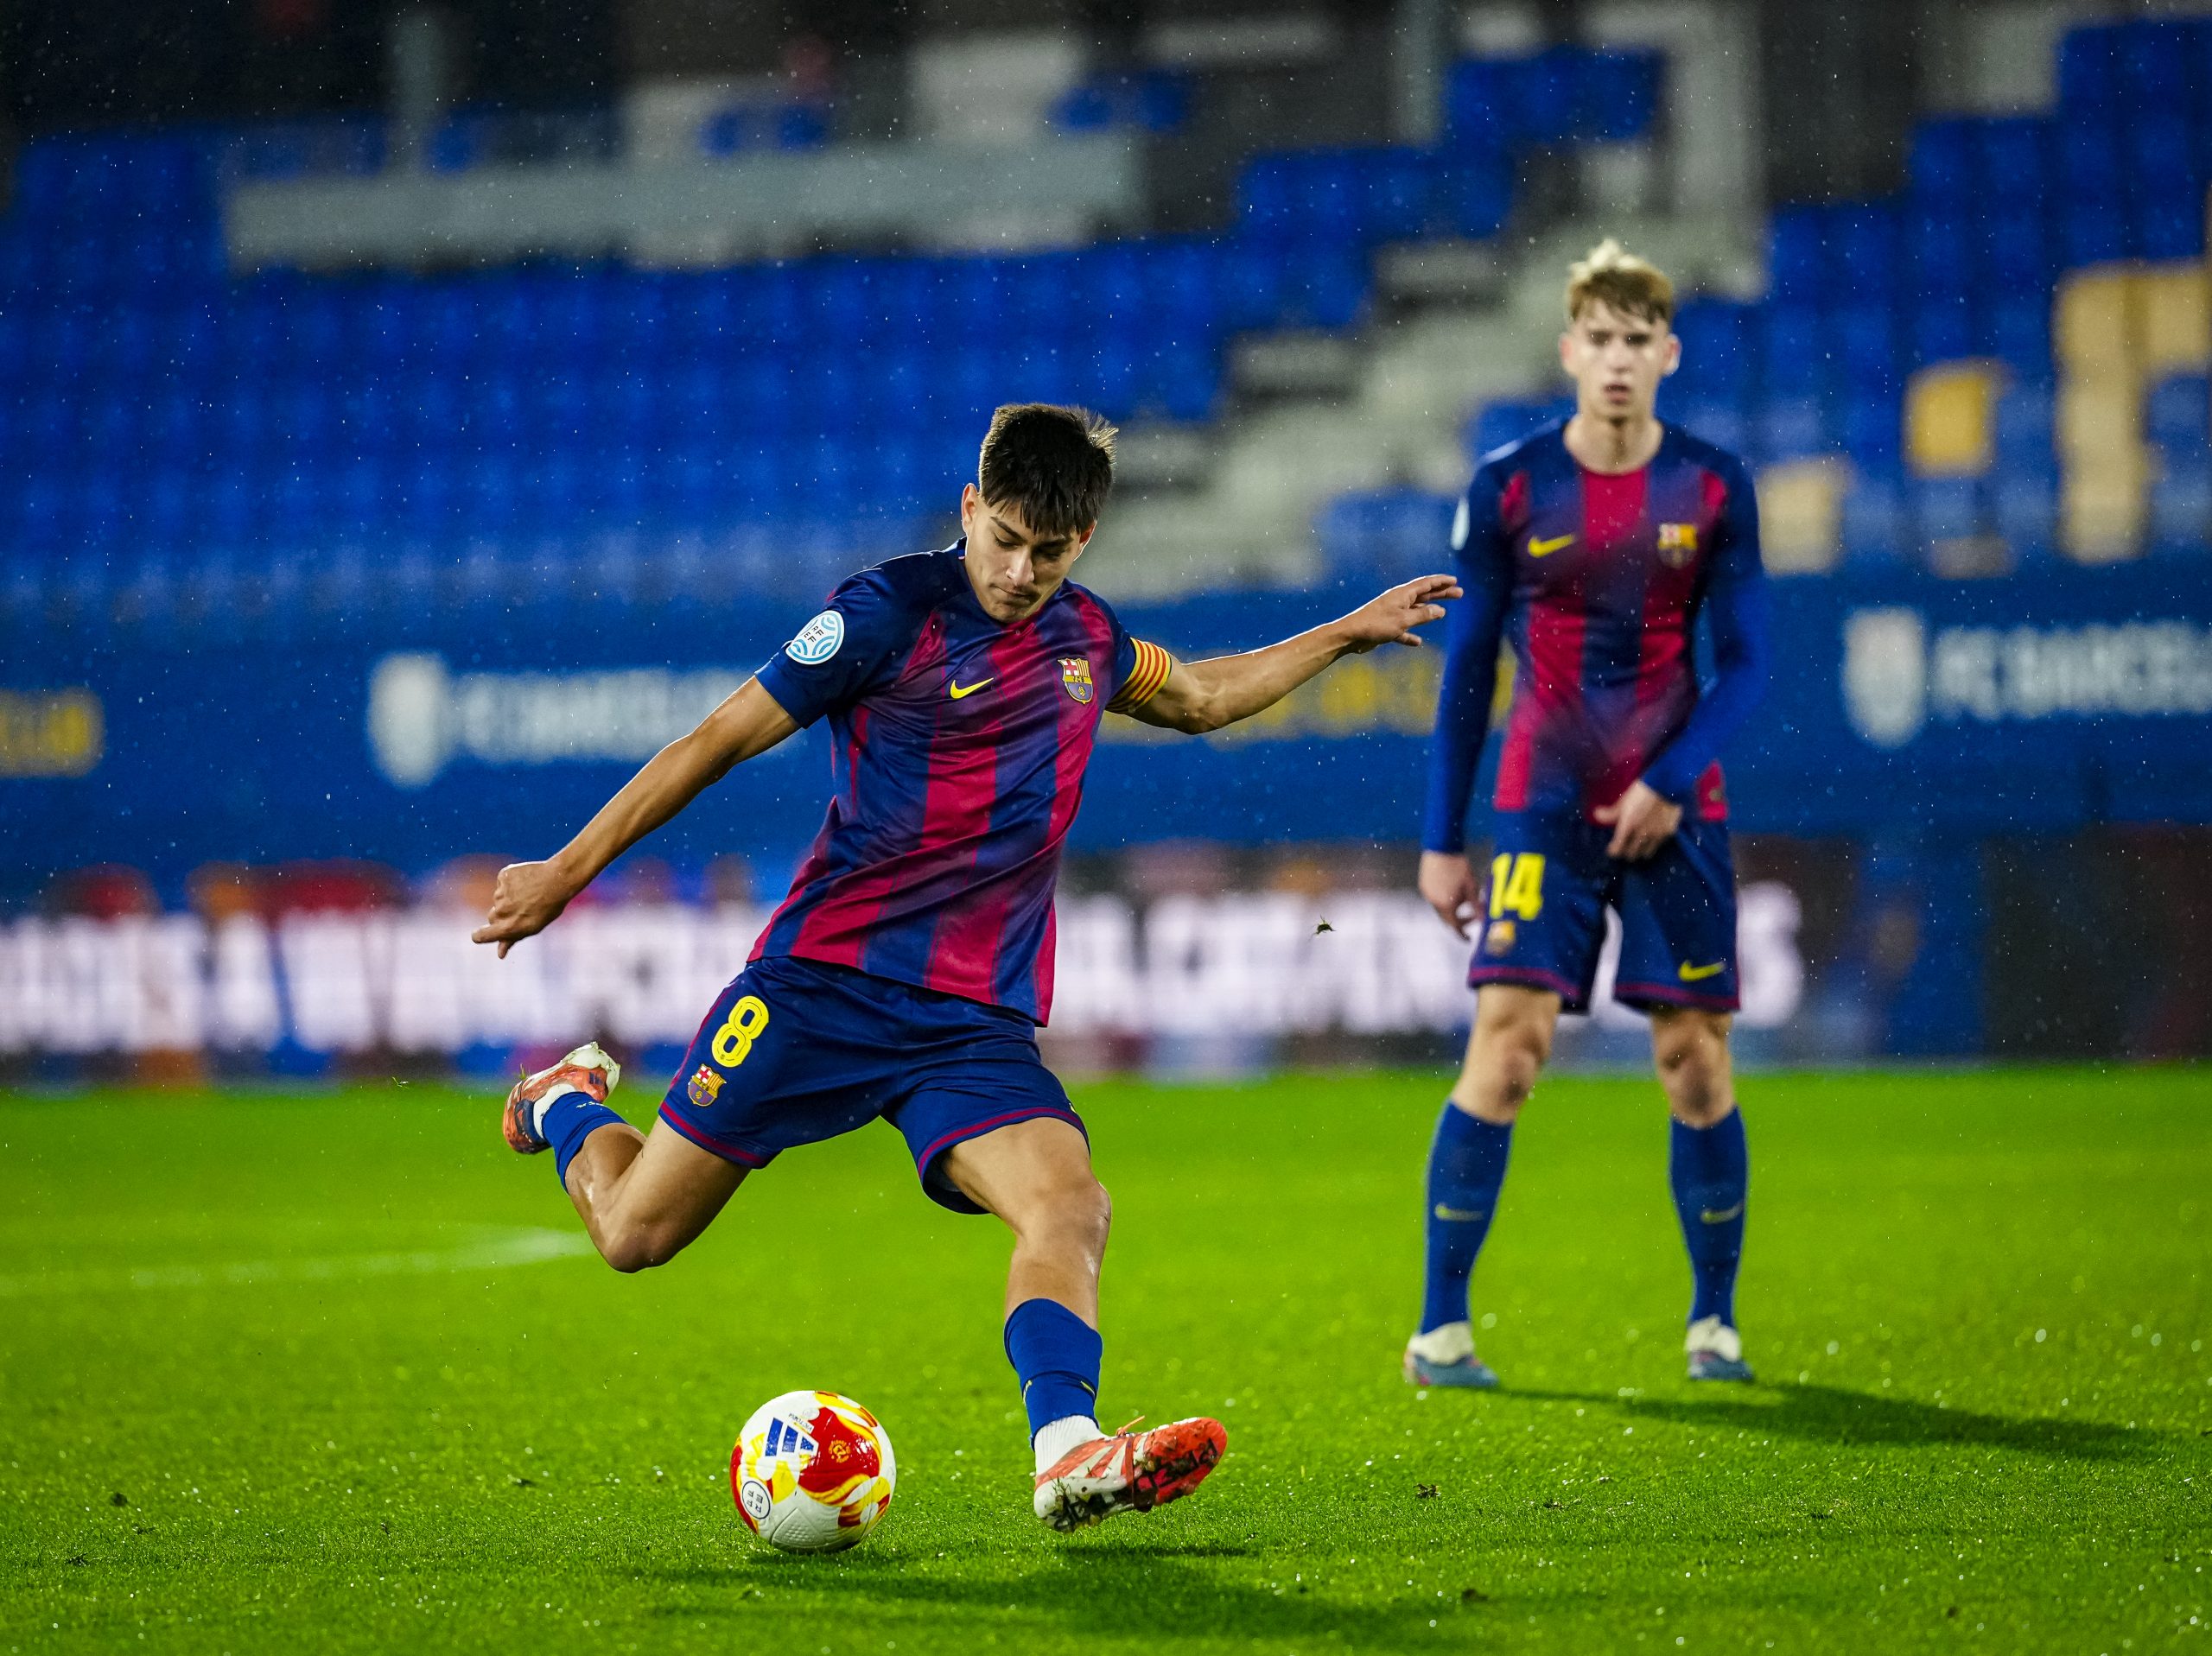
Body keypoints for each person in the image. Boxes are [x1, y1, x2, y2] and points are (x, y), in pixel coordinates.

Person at [474, 403, 1459, 1531]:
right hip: (818, 988)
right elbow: (715, 738)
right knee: (636, 1235)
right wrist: (565, 867)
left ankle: (1068, 1451)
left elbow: (1200, 694)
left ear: (1082, 538)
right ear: (968, 509)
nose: (1021, 569)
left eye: (1048, 549)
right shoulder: (882, 614)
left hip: (970, 1026)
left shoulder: (1088, 638)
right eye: (1003, 537)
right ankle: (561, 1105)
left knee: (1071, 1201)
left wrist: (1346, 628)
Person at [1405, 242, 1771, 1391]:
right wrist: (1439, 837)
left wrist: (1674, 777)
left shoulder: (1714, 485)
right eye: (1598, 340)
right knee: (1506, 1055)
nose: (1617, 360)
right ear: (1570, 352)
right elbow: (1467, 675)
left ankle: (1714, 1322)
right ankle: (1440, 1329)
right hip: (1541, 807)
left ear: (1668, 353)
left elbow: (1752, 664)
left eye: (1636, 341)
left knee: (1693, 1063)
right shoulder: (1511, 486)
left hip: (1678, 809)